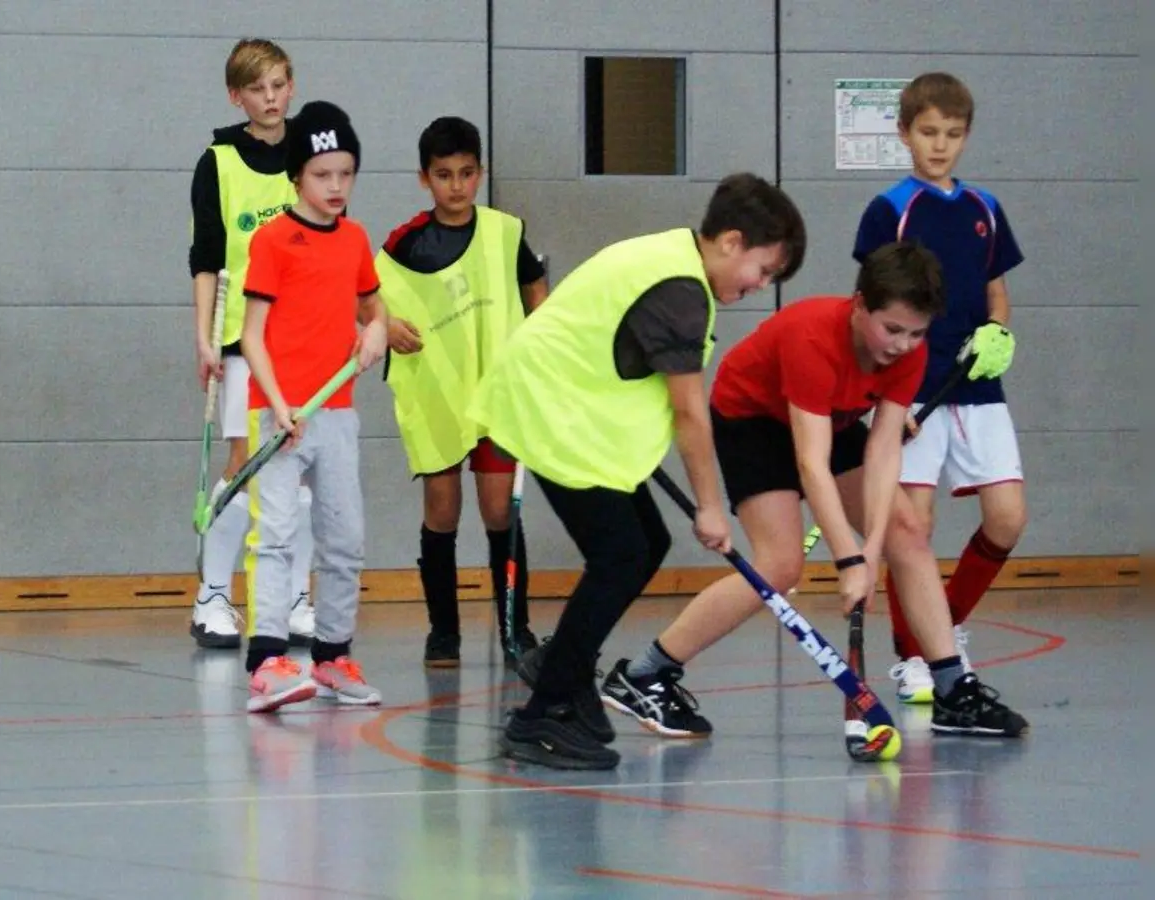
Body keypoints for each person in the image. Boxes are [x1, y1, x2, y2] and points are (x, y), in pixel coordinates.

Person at [604, 242, 1029, 742]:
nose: (901, 345)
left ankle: (953, 690)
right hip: (755, 422)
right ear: (858, 304)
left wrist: (870, 552)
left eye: (916, 333)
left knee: (906, 530)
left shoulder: (909, 352)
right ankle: (644, 674)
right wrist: (848, 561)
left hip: (831, 417)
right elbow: (811, 462)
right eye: (891, 329)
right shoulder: (812, 338)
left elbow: (884, 451)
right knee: (779, 567)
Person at [467, 172, 807, 770]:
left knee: (646, 541)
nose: (762, 286)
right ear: (731, 241)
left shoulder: (672, 256)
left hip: (569, 411)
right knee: (621, 554)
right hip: (550, 411)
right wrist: (710, 505)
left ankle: (562, 666)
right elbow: (688, 414)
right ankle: (540, 715)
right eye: (763, 270)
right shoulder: (680, 291)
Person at [853, 72, 1028, 702]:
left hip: (977, 387)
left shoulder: (984, 208)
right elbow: (867, 303)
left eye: (953, 134)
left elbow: (996, 291)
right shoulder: (890, 210)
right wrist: (877, 393)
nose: (940, 145)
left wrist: (998, 333)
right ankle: (916, 655)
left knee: (1007, 519)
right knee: (912, 528)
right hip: (910, 389)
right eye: (928, 132)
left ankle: (944, 629)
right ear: (904, 134)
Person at [376, 116, 549, 668]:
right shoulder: (404, 243)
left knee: (500, 511)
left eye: (467, 173)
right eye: (444, 175)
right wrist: (384, 324)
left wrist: (540, 342)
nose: (457, 185)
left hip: (498, 393)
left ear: (482, 172)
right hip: (439, 396)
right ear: (425, 178)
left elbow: (535, 288)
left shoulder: (507, 230)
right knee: (442, 510)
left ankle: (514, 627)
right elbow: (366, 297)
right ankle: (443, 631)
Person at [237, 100, 390, 712]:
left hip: (338, 411)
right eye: (323, 174)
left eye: (346, 174)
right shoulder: (273, 239)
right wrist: (278, 405)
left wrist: (377, 328)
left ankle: (332, 657)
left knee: (344, 537)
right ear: (297, 175)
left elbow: (372, 308)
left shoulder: (354, 239)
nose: (335, 186)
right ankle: (267, 661)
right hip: (280, 413)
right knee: (274, 535)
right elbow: (251, 335)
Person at [188, 38, 317, 650]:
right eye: (257, 89)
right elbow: (207, 258)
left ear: (291, 86)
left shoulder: (311, 154)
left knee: (302, 469)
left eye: (279, 85)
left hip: (306, 338)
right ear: (236, 96)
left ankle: (293, 598)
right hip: (244, 337)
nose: (270, 99)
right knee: (246, 464)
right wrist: (203, 338)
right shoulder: (217, 162)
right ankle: (214, 595)